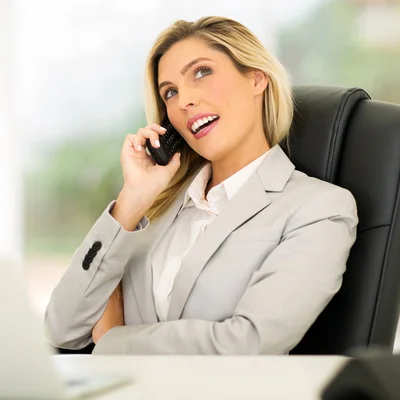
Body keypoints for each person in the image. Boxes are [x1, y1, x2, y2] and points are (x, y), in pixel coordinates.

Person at [44, 16, 358, 355]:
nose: (184, 101)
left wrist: (113, 342)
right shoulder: (152, 211)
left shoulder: (320, 208)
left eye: (202, 72)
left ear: (256, 78)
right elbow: (62, 329)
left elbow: (249, 343)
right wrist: (131, 202)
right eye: (170, 92)